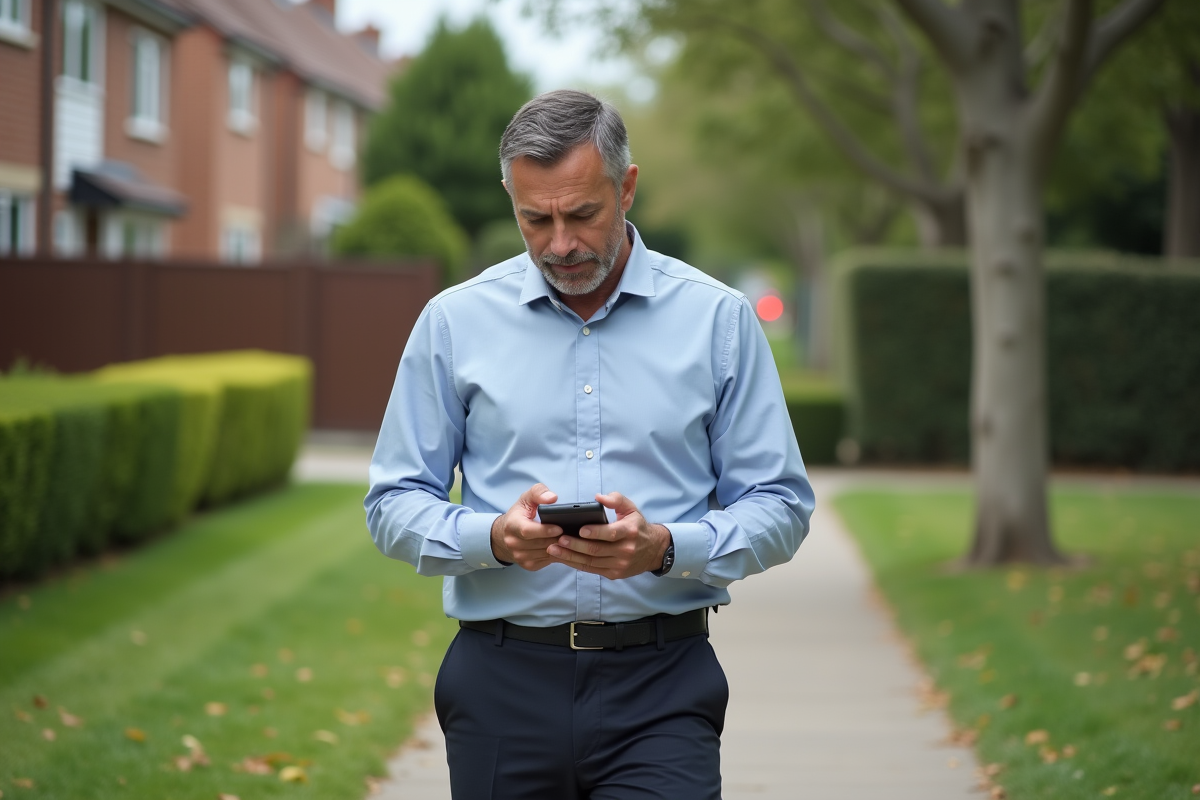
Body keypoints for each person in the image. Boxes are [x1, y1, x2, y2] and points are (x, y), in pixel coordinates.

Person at [365, 89, 814, 799]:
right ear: (511, 197)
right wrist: (494, 537)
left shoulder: (719, 321)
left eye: (582, 214)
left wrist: (666, 547)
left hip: (663, 688)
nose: (560, 243)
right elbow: (392, 502)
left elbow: (782, 505)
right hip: (498, 685)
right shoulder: (453, 323)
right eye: (534, 219)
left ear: (627, 187)